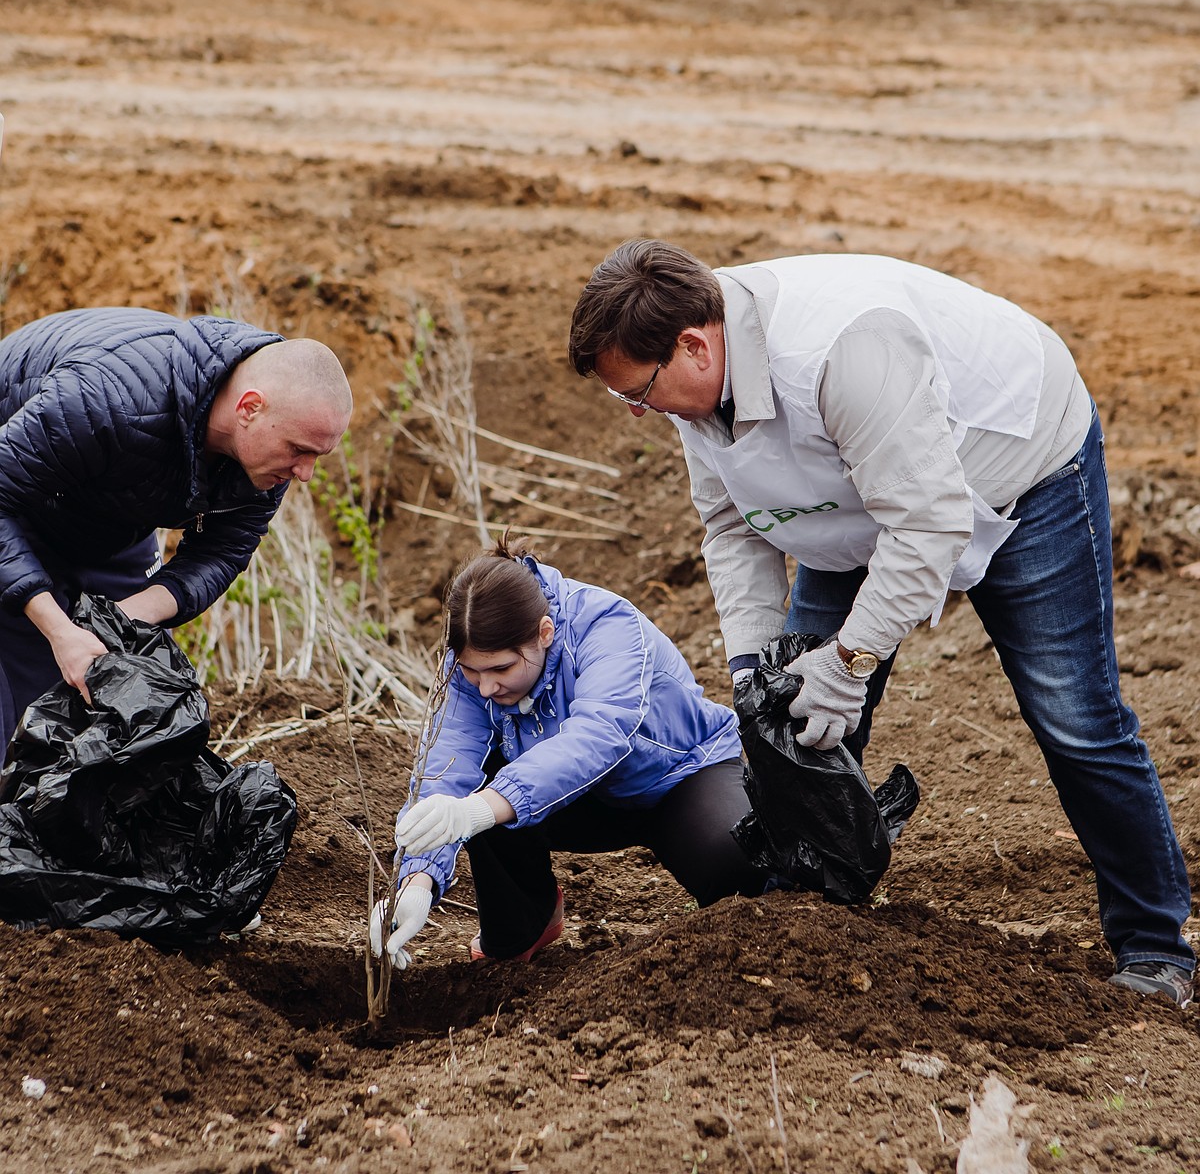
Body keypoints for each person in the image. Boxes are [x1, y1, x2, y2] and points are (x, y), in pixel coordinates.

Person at [567, 238, 1195, 1007]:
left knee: (1074, 718)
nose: (636, 412)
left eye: (640, 391)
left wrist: (849, 662)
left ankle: (1156, 946)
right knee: (792, 722)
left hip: (1017, 469)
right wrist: (753, 669)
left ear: (694, 344)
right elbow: (733, 528)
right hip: (857, 495)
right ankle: (806, 919)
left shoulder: (842, 352)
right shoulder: (694, 376)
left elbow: (928, 525)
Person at [369, 535, 767, 969]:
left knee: (739, 862)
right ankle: (524, 925)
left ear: (544, 633)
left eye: (502, 668)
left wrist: (480, 810)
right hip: (570, 800)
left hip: (677, 780)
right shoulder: (470, 665)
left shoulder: (607, 624)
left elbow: (600, 735)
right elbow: (445, 766)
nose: (485, 687)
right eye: (471, 671)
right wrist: (416, 880)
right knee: (465, 790)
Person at [0, 306, 353, 753]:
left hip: (113, 515)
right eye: (301, 451)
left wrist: (120, 622)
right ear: (250, 408)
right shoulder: (109, 398)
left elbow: (223, 550)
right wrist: (60, 630)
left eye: (317, 456)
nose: (306, 473)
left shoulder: (269, 457)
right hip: (18, 505)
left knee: (128, 688)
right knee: (35, 700)